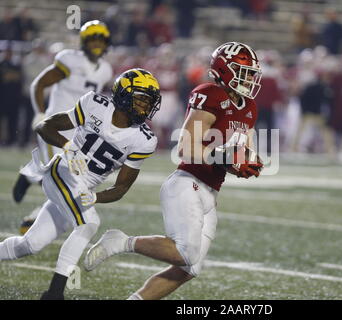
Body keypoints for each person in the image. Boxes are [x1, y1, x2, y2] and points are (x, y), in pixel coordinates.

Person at [84, 42, 264, 300]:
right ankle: (122, 241)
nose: (249, 79)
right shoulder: (210, 94)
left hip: (210, 193)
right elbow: (186, 148)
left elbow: (244, 151)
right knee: (186, 254)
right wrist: (226, 158)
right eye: (243, 71)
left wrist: (248, 163)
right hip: (187, 182)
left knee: (190, 268)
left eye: (251, 73)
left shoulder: (249, 107)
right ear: (224, 70)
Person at [0, 68, 162, 300]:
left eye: (149, 102)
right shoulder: (95, 104)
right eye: (141, 100)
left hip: (81, 189)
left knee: (30, 245)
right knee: (89, 222)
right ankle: (54, 293)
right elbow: (43, 126)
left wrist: (97, 197)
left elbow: (121, 188)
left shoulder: (144, 140)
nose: (145, 107)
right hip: (61, 171)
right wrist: (68, 147)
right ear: (124, 95)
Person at [12, 20, 113, 234]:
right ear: (84, 41)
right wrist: (39, 113)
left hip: (80, 131)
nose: (97, 44)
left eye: (100, 39)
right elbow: (39, 84)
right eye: (92, 39)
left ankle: (31, 177)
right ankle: (34, 218)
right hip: (55, 127)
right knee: (60, 177)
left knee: (75, 178)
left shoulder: (106, 69)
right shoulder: (70, 60)